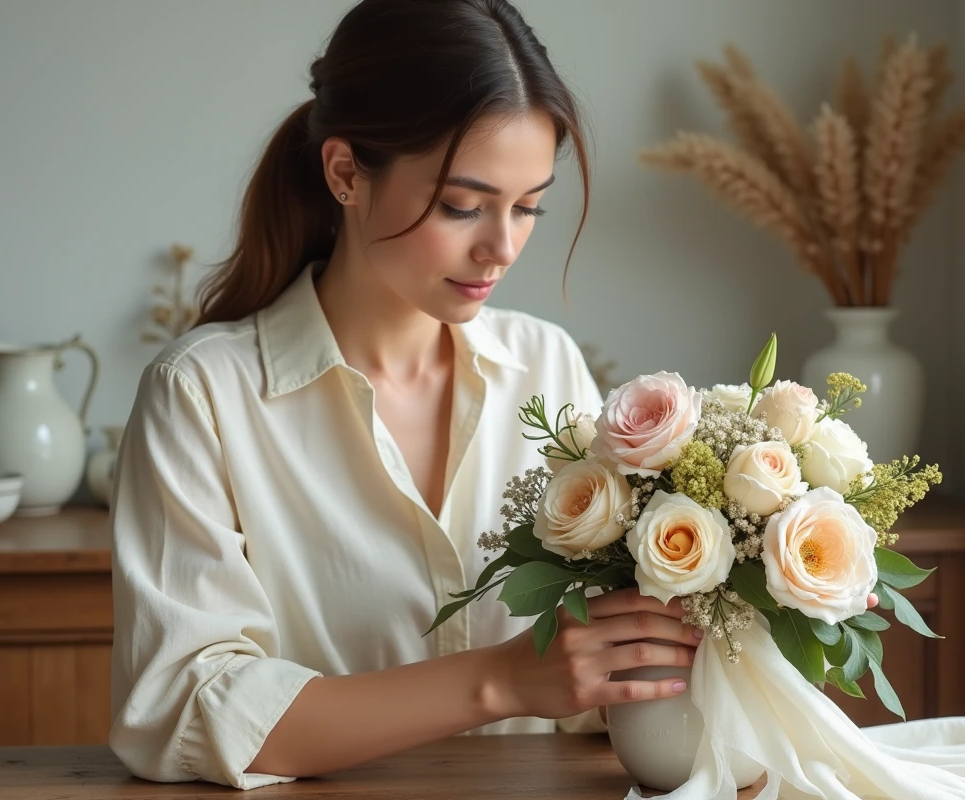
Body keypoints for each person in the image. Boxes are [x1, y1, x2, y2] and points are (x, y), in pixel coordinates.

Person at [108, 0, 703, 789]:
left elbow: (596, 682)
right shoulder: (202, 395)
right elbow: (184, 707)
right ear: (345, 172)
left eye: (527, 207)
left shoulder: (544, 365)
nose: (501, 247)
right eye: (463, 206)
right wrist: (506, 681)